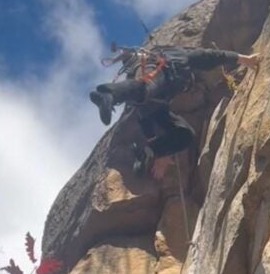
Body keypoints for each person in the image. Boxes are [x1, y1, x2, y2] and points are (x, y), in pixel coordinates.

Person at [90, 46, 259, 178]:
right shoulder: (182, 57)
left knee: (185, 135)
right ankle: (108, 93)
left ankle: (148, 153)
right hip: (155, 69)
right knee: (145, 89)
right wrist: (243, 59)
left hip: (155, 103)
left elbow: (144, 115)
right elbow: (212, 56)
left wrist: (159, 151)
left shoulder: (173, 81)